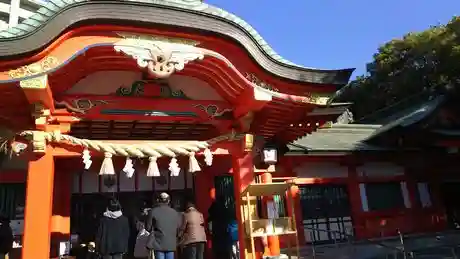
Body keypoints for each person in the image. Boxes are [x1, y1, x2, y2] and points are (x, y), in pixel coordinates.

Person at [146, 192, 181, 259]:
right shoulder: (175, 213)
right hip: (171, 244)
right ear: (168, 201)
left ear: (158, 200)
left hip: (158, 243)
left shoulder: (153, 211)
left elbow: (148, 228)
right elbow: (178, 227)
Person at [207, 190, 232, 259]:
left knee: (218, 252)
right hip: (224, 231)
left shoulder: (215, 207)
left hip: (216, 231)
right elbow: (229, 217)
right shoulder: (225, 209)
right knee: (225, 250)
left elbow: (209, 212)